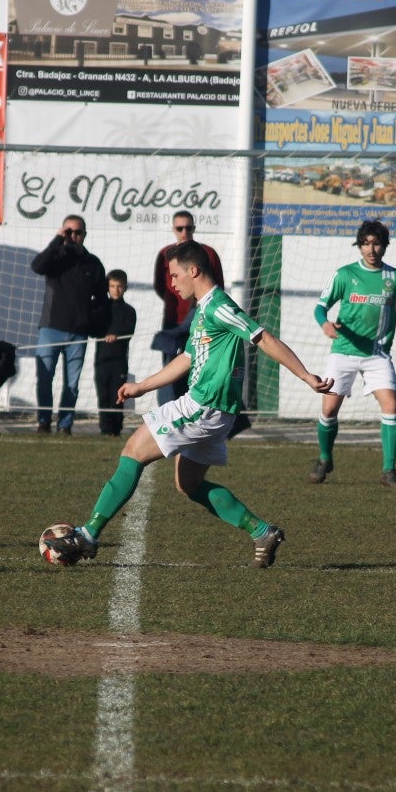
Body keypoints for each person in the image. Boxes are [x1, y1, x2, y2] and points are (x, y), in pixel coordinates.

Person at [44, 240, 333, 568]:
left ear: (193, 271)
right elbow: (187, 358)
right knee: (189, 484)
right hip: (215, 410)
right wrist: (141, 386)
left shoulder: (219, 306)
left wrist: (307, 376)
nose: (171, 281)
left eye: (175, 274)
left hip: (204, 405)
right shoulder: (202, 311)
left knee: (132, 451)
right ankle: (262, 531)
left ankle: (88, 535)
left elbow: (262, 337)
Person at [309, 220, 396, 488]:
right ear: (359, 245)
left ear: (384, 246)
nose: (371, 249)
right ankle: (325, 459)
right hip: (343, 352)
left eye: (377, 243)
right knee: (329, 410)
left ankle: (389, 471)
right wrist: (325, 324)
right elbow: (320, 308)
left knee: (391, 407)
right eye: (366, 243)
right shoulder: (345, 275)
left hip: (377, 354)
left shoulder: (395, 278)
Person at [30, 214, 107, 435]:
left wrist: (91, 322)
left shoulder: (93, 263)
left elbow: (101, 299)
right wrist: (57, 241)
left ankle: (65, 425)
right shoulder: (55, 258)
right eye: (69, 232)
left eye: (78, 232)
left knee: (71, 384)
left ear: (85, 234)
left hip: (78, 334)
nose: (73, 236)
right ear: (63, 233)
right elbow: (37, 266)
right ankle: (43, 422)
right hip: (50, 329)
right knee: (44, 379)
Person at [152, 210, 224, 404]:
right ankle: (167, 415)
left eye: (188, 228)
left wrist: (197, 305)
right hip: (173, 321)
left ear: (194, 228)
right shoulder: (165, 254)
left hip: (201, 317)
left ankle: (199, 412)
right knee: (171, 370)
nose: (184, 232)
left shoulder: (207, 253)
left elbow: (218, 286)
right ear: (173, 229)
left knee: (201, 367)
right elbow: (161, 287)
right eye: (179, 228)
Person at [95, 269, 136, 437]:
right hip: (102, 359)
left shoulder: (129, 311)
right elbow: (94, 328)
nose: (115, 290)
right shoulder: (101, 308)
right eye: (112, 286)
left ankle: (115, 429)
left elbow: (129, 331)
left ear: (125, 287)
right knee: (103, 394)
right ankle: (105, 429)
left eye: (119, 286)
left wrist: (116, 336)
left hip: (119, 360)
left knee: (117, 395)